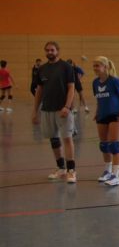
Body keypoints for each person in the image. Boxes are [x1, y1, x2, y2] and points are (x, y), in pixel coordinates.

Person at [31, 41, 77, 183]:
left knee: (67, 138)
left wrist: (67, 107)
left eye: (52, 50)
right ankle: (61, 168)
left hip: (63, 109)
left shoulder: (66, 67)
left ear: (57, 51)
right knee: (54, 139)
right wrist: (35, 111)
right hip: (47, 109)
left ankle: (71, 171)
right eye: (47, 50)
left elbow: (71, 87)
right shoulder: (42, 69)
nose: (49, 52)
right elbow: (39, 90)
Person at [92, 56, 119, 186]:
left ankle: (116, 175)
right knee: (104, 145)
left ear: (105, 67)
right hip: (102, 116)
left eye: (97, 65)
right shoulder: (95, 83)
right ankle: (107, 171)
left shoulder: (114, 81)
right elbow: (99, 99)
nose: (95, 68)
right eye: (94, 66)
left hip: (115, 115)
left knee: (114, 145)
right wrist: (97, 112)